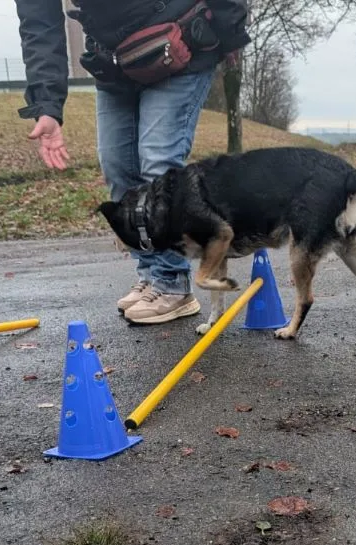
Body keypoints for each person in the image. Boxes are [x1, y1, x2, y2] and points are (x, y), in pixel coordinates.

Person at [13, 0, 250, 325]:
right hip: (115, 60)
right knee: (118, 168)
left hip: (178, 39)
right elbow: (39, 23)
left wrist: (230, 28)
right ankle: (151, 274)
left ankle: (172, 283)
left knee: (158, 164)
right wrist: (46, 104)